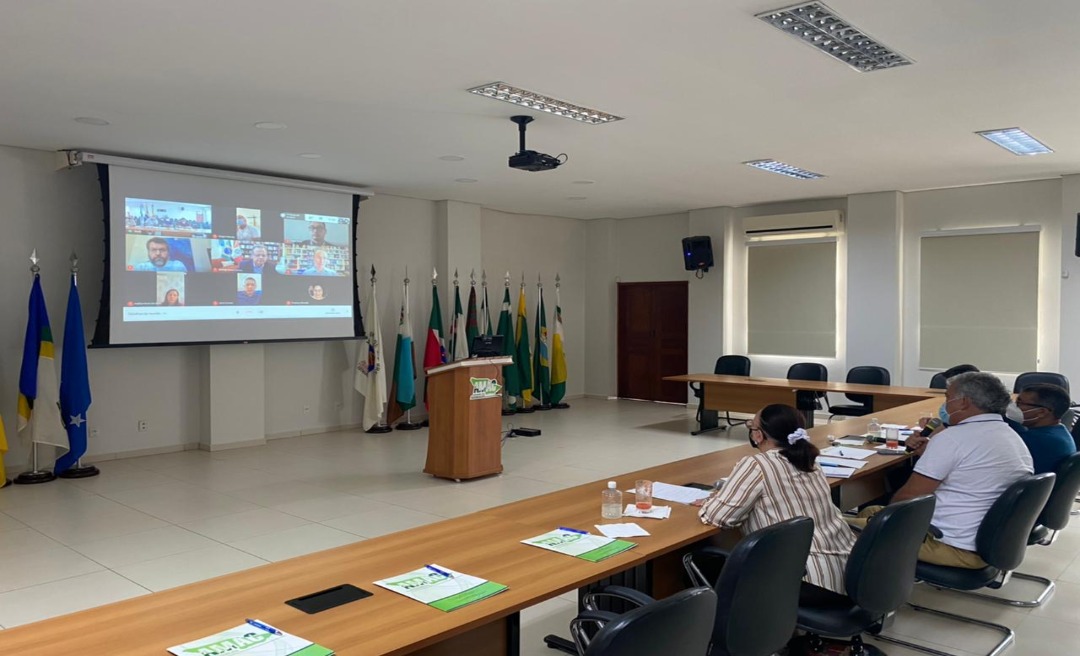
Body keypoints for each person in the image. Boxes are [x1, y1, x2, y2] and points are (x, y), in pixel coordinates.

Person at [853, 372, 1033, 568]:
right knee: (870, 511)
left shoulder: (953, 438)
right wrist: (929, 455)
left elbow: (908, 498)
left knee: (836, 527)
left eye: (948, 398)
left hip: (951, 545)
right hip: (989, 540)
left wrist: (884, 523)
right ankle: (879, 572)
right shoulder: (1010, 436)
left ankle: (861, 587)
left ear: (963, 402)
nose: (945, 405)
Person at [698, 404, 856, 594]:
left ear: (758, 435)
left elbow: (718, 517)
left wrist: (711, 501)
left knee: (703, 559)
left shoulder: (757, 464)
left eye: (752, 427)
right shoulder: (810, 461)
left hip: (803, 579)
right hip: (847, 572)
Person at [1008, 383, 1076, 475]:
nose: (1014, 407)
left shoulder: (1037, 440)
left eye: (1019, 403)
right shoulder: (1058, 431)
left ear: (1041, 412)